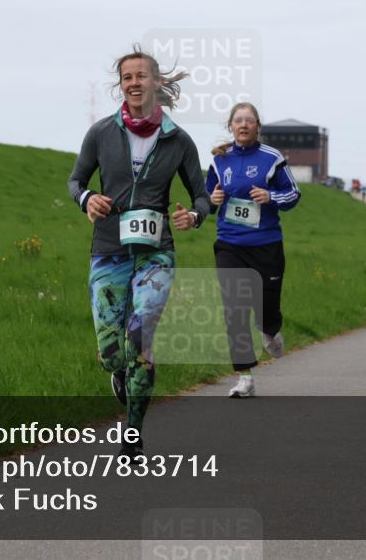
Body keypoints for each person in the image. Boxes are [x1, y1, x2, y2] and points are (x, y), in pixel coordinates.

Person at [68, 45, 210, 460]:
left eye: (141, 76)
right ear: (121, 85)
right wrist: (87, 199)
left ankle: (132, 433)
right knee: (112, 352)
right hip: (109, 250)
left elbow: (201, 196)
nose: (134, 83)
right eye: (127, 77)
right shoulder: (100, 133)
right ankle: (121, 373)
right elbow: (75, 181)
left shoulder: (179, 140)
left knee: (140, 337)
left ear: (157, 82)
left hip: (156, 255)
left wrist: (194, 217)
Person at [206, 103, 301, 398]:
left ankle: (270, 330)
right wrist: (213, 198)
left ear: (258, 126)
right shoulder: (219, 160)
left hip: (266, 245)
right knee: (234, 310)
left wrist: (270, 196)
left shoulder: (272, 158)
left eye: (249, 120)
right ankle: (244, 377)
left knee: (266, 310)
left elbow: (294, 194)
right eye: (238, 120)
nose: (243, 125)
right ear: (231, 126)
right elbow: (207, 199)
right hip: (230, 244)